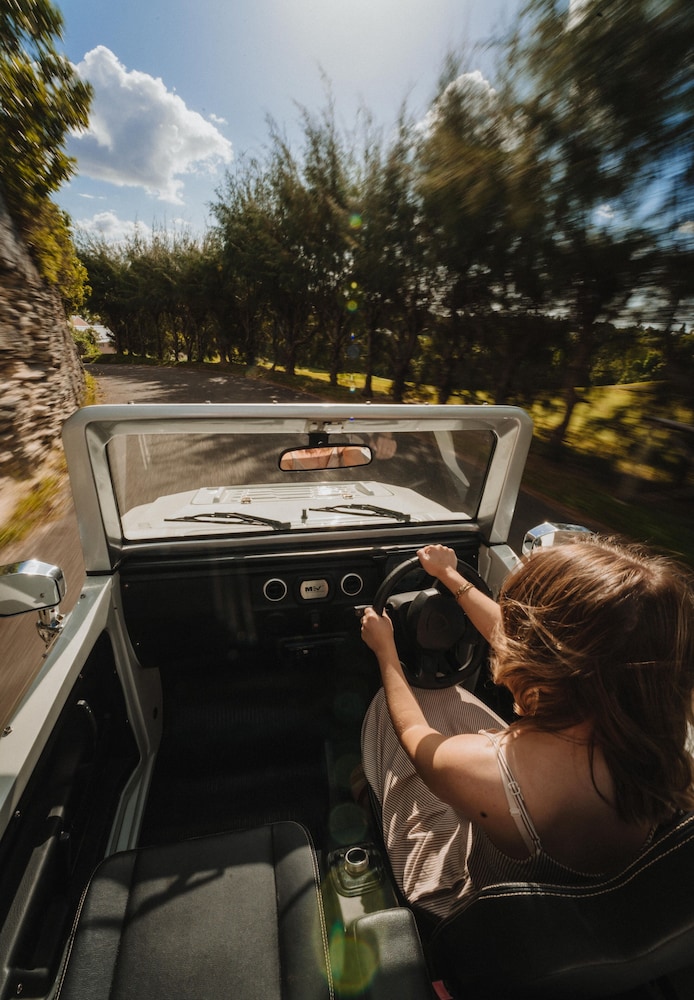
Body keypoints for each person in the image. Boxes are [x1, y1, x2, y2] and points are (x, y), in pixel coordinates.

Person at [359, 536, 694, 921]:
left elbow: (416, 738)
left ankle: (366, 795)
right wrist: (451, 576)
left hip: (469, 909)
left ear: (546, 664)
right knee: (447, 700)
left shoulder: (491, 770)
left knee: (392, 707)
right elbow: (517, 639)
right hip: (574, 912)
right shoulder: (671, 754)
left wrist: (387, 653)